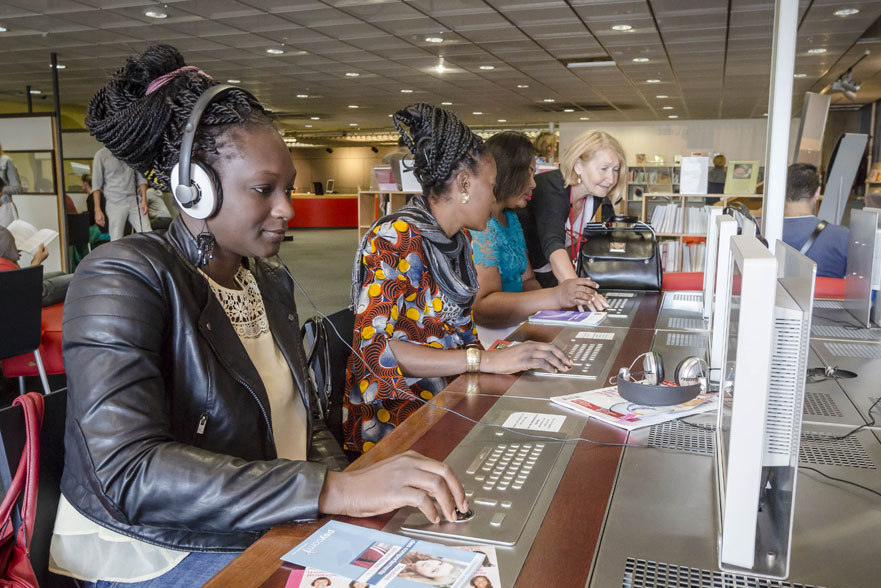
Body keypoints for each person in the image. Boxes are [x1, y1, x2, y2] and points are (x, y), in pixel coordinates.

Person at [50, 45, 469, 588]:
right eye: (263, 189)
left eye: (287, 188)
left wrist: (352, 487)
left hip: (269, 516)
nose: (287, 209)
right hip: (160, 547)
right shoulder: (121, 277)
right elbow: (131, 472)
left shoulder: (267, 278)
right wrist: (331, 491)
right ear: (193, 190)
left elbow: (303, 419)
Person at [345, 104, 571, 453]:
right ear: (465, 184)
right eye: (491, 186)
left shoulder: (459, 240)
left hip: (449, 395)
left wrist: (508, 357)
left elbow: (458, 336)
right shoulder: (396, 237)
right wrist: (486, 362)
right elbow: (377, 348)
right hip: (400, 416)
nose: (495, 196)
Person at [471, 132, 602, 331]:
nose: (533, 183)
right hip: (490, 332)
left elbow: (528, 280)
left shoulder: (512, 219)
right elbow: (484, 308)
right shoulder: (481, 226)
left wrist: (551, 313)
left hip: (517, 323)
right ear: (508, 172)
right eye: (529, 173)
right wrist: (556, 297)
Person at [519, 129, 624, 298]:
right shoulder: (551, 187)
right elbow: (553, 244)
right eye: (603, 169)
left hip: (554, 275)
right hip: (525, 283)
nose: (611, 179)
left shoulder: (596, 193)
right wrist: (580, 293)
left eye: (616, 170)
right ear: (578, 166)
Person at [782, 162, 848, 278]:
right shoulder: (842, 236)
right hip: (823, 296)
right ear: (817, 192)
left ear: (782, 190)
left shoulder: (761, 230)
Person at [90, 145, 152, 240]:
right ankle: (115, 255)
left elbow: (141, 179)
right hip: (115, 202)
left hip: (134, 200)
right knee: (116, 237)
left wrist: (144, 200)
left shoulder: (131, 153)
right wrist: (97, 210)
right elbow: (96, 185)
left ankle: (150, 254)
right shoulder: (101, 155)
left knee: (147, 232)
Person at [0, 142, 22, 227]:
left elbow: (17, 188)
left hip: (4, 207)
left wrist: (1, 189)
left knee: (5, 238)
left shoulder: (5, 161)